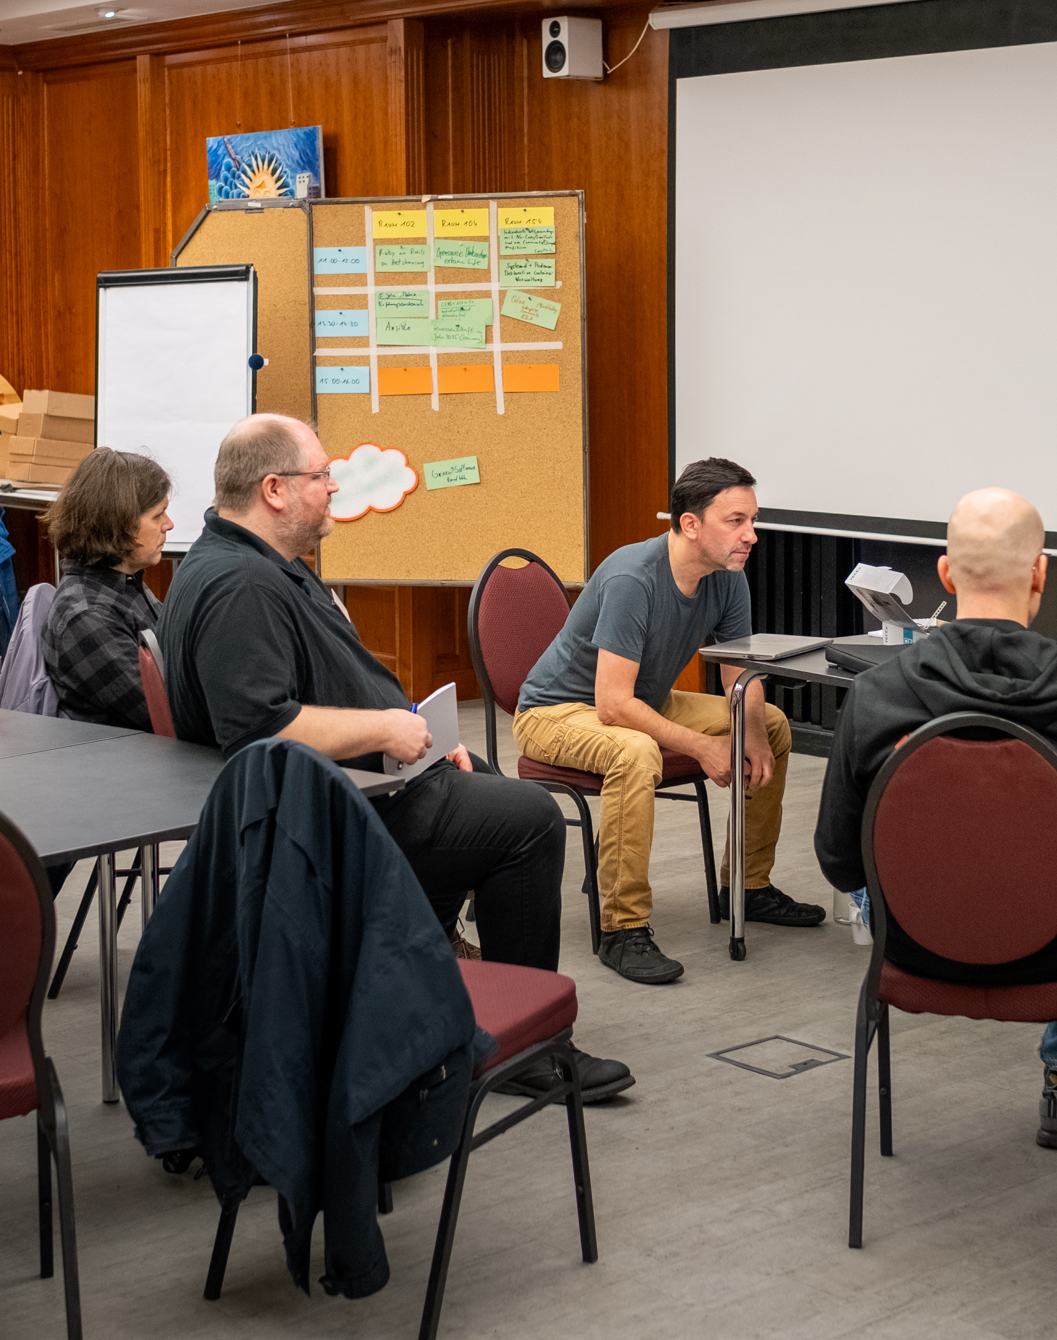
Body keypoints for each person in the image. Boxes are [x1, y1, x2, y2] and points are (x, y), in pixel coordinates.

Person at [158, 413, 631, 1101]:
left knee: (491, 786)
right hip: (320, 820)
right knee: (528, 818)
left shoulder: (257, 566)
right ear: (275, 489)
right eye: (321, 475)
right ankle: (522, 1051)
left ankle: (426, 1003)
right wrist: (388, 728)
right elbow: (261, 729)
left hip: (353, 786)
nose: (332, 488)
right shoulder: (242, 587)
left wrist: (428, 737)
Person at [814, 488, 1057, 1150]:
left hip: (910, 946)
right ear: (1042, 574)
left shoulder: (875, 694)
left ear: (946, 575)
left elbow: (837, 856)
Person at [512, 456, 821, 988]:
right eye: (736, 521)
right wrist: (703, 749)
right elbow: (611, 706)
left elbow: (737, 679)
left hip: (642, 700)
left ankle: (747, 886)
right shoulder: (635, 577)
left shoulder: (727, 578)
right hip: (556, 711)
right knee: (634, 751)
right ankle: (622, 929)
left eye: (753, 520)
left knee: (767, 721)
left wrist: (750, 736)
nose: (751, 535)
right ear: (690, 524)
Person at [43, 447, 174, 731]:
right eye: (158, 515)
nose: (169, 525)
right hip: (135, 769)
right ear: (120, 523)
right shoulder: (87, 616)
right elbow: (167, 715)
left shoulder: (125, 583)